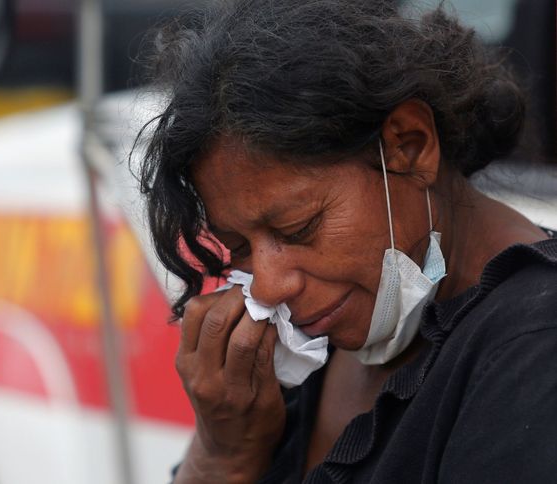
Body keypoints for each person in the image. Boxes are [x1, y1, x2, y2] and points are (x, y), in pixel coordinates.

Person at [136, 0, 557, 482]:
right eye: (241, 248)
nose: (269, 287)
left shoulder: (535, 347)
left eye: (299, 229)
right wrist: (224, 453)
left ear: (409, 145)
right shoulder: (309, 349)